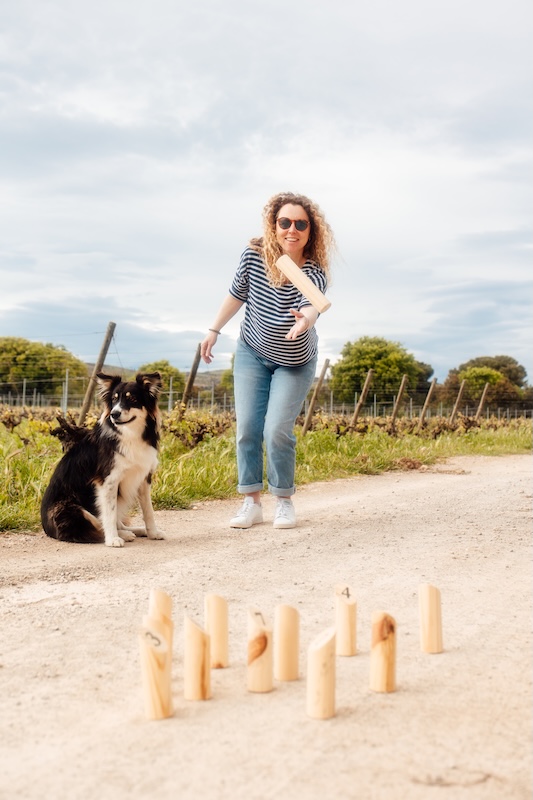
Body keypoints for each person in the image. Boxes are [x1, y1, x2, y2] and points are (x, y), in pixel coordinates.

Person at [200, 191, 335, 530]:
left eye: (301, 224)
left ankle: (284, 501)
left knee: (276, 429)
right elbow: (236, 294)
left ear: (310, 231)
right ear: (273, 226)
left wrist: (305, 320)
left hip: (295, 362)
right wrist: (214, 329)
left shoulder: (314, 270)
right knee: (247, 427)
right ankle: (251, 502)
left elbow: (313, 303)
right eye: (284, 222)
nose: (292, 229)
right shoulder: (253, 255)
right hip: (252, 353)